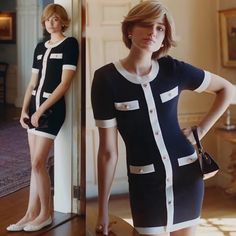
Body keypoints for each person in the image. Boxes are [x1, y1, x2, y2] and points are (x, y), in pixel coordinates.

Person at [91, 1, 235, 236]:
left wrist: (200, 130)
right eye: (146, 24)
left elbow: (227, 89)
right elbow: (108, 152)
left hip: (187, 178)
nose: (153, 32)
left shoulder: (173, 69)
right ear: (129, 29)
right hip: (145, 186)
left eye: (160, 28)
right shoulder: (106, 79)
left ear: (165, 36)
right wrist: (102, 210)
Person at [7, 3, 79, 232]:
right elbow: (32, 82)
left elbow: (65, 83)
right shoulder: (40, 47)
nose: (51, 23)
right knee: (34, 165)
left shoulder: (70, 44)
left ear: (63, 22)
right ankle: (29, 214)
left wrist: (40, 110)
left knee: (39, 162)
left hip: (52, 111)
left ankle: (45, 214)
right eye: (48, 19)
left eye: (55, 19)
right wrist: (25, 110)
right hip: (34, 109)